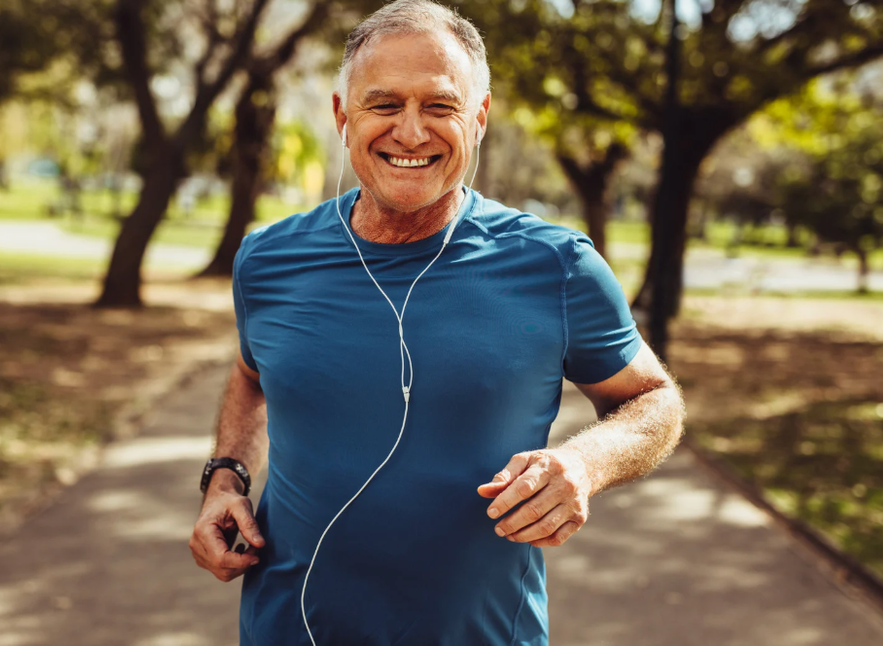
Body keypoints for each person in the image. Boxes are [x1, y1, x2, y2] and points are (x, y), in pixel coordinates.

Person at [189, 1, 685, 644]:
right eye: (384, 104)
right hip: (285, 628)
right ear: (342, 116)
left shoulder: (558, 265)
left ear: (478, 118)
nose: (411, 132)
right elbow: (252, 374)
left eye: (440, 106)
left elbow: (655, 400)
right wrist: (225, 478)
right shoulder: (267, 259)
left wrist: (585, 464)